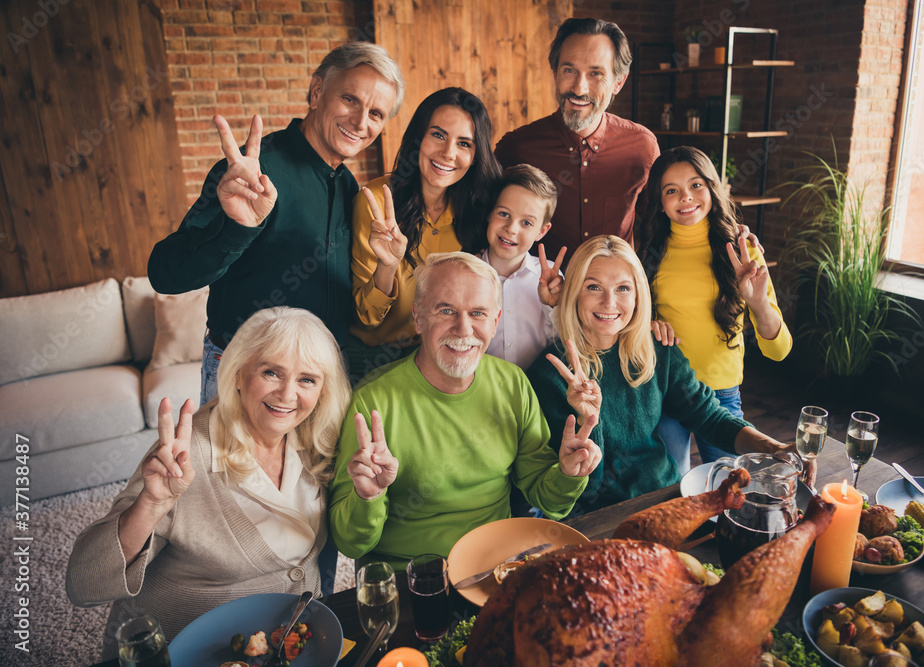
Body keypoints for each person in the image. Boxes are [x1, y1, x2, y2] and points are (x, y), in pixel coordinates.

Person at [66, 307, 353, 659]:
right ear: (237, 374)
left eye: (307, 379)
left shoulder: (316, 442)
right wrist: (150, 506)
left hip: (282, 646)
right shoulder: (185, 454)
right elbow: (83, 583)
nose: (287, 394)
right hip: (182, 652)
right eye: (271, 372)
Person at [147, 42, 405, 405]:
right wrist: (238, 229)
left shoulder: (350, 188)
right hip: (246, 376)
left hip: (321, 381)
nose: (361, 123)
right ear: (317, 92)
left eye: (376, 113)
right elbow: (165, 274)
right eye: (350, 100)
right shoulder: (251, 173)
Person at [328, 252, 601, 570]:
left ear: (495, 321)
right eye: (446, 310)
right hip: (410, 577)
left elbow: (549, 500)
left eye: (478, 313)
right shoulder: (371, 402)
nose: (463, 328)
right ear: (418, 318)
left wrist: (568, 473)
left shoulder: (513, 383)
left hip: (494, 568)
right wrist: (368, 498)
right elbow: (349, 543)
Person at [526, 235, 809, 516]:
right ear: (574, 292)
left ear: (638, 296)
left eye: (623, 288)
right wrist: (591, 420)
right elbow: (581, 492)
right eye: (593, 287)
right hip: (595, 518)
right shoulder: (549, 374)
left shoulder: (658, 351)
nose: (609, 302)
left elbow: (709, 416)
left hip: (666, 499)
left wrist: (776, 448)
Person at [637, 147, 792, 471]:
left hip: (721, 393)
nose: (685, 197)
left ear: (711, 188)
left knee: (729, 491)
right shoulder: (648, 251)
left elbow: (779, 352)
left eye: (696, 185)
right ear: (661, 203)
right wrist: (649, 323)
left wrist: (758, 303)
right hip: (667, 391)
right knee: (668, 493)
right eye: (671, 191)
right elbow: (633, 317)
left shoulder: (742, 249)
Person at [346, 87, 502, 381]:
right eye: (438, 135)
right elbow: (366, 318)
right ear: (419, 138)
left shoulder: (478, 213)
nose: (448, 153)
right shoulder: (378, 201)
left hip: (440, 353)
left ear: (476, 154)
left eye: (464, 143)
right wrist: (387, 266)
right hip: (372, 355)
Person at [494, 17, 659, 257]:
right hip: (537, 293)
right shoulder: (516, 149)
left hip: (613, 293)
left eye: (595, 74)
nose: (579, 88)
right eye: (569, 70)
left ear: (618, 82)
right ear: (555, 73)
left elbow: (661, 228)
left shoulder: (642, 147)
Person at [479, 163, 566, 369]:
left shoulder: (551, 278)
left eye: (526, 223)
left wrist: (552, 307)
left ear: (542, 231)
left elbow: (562, 343)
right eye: (504, 214)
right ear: (490, 214)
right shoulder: (464, 274)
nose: (511, 229)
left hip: (536, 392)